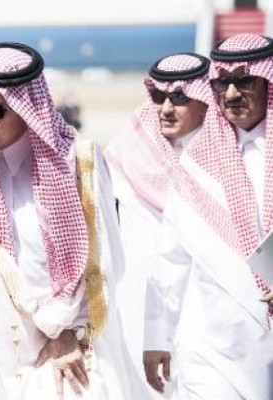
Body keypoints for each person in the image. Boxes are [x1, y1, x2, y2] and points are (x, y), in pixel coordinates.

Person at [0, 42, 149, 399]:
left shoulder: (79, 162)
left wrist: (71, 331)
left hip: (65, 346)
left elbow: (104, 260)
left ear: (25, 109)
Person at [142, 33, 273, 399]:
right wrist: (156, 337)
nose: (231, 94)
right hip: (213, 344)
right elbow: (171, 258)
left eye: (244, 81)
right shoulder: (195, 164)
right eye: (221, 83)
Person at [103, 53, 211, 397]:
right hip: (139, 300)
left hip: (207, 311)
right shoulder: (129, 150)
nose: (165, 108)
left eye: (179, 97)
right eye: (159, 96)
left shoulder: (223, 160)